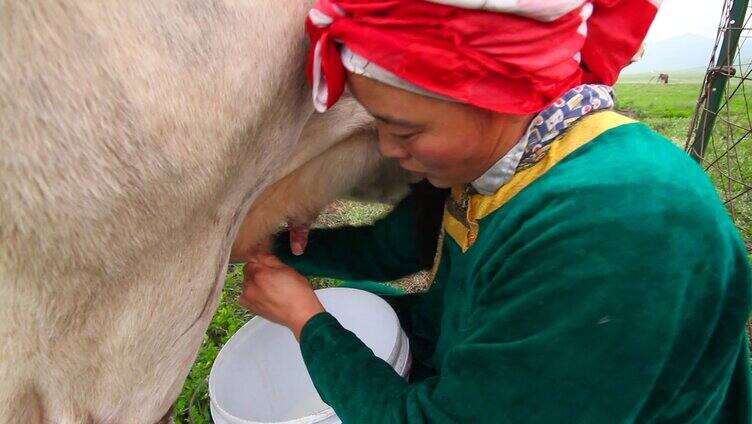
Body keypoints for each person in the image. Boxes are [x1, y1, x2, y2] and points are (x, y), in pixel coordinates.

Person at [236, 1, 752, 422]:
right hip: (515, 376)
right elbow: (401, 246)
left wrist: (308, 321)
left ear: (495, 96)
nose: (390, 150)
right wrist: (274, 250)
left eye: (405, 130)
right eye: (379, 126)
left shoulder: (616, 232)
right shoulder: (507, 151)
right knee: (366, 301)